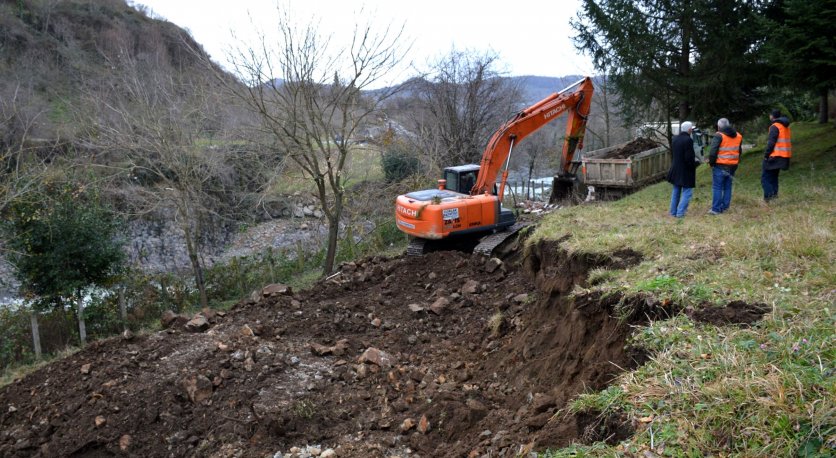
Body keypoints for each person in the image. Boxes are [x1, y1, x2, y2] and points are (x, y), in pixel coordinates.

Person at [707, 118, 743, 215]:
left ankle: (715, 209)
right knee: (727, 187)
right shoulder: (739, 136)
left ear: (718, 126)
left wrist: (711, 163)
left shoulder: (719, 135)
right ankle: (725, 207)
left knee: (717, 187)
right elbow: (739, 151)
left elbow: (713, 152)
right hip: (733, 165)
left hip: (720, 165)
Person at [666, 121, 698, 218]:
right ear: (689, 130)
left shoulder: (675, 139)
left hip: (675, 168)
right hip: (685, 170)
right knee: (687, 192)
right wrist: (694, 165)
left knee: (676, 191)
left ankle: (673, 212)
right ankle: (680, 213)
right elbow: (689, 157)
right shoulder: (688, 140)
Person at [761, 109, 792, 202]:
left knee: (765, 178)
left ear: (772, 116)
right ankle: (774, 197)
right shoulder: (785, 126)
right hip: (784, 156)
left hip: (774, 156)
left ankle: (769, 198)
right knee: (774, 177)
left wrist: (766, 155)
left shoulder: (774, 126)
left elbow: (771, 143)